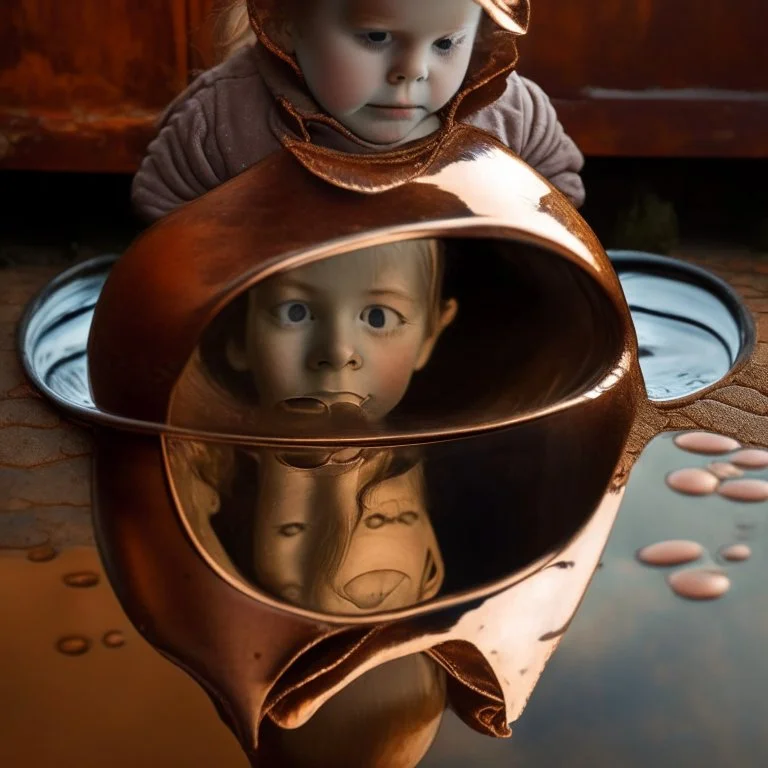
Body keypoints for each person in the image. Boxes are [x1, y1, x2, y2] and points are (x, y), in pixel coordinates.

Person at [132, 0, 584, 222]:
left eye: (445, 43)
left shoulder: (511, 114)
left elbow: (559, 201)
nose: (412, 71)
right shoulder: (222, 119)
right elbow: (165, 216)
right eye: (376, 37)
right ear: (285, 24)